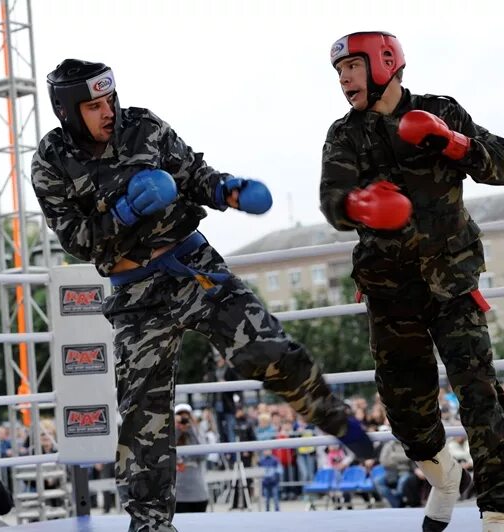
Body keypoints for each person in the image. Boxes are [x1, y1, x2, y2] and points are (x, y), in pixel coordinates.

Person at [31, 58, 375, 531]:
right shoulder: (50, 161)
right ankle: (151, 526)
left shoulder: (144, 126)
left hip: (192, 266)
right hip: (135, 295)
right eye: (94, 105)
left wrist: (229, 191)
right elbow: (76, 240)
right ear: (69, 111)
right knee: (142, 420)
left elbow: (193, 173)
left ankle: (342, 424)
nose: (108, 110)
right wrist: (127, 210)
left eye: (110, 98)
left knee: (268, 349)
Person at [320, 31, 504, 531]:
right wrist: (358, 204)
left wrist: (454, 143)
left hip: (452, 284)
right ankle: (445, 477)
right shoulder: (344, 135)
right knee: (406, 416)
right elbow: (331, 201)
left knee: (480, 398)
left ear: (385, 62)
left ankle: (499, 517)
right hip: (390, 296)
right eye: (339, 70)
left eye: (353, 66)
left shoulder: (441, 111)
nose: (344, 77)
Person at [173, 404, 209, 513]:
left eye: (186, 418)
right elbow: (167, 451)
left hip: (198, 493)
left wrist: (191, 430)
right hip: (178, 495)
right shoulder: (170, 435)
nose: (184, 422)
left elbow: (203, 455)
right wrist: (176, 429)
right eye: (181, 418)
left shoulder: (197, 434)